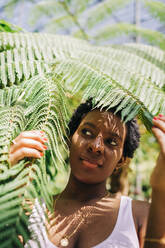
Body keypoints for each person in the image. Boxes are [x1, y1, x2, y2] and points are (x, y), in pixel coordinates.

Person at [8, 99, 165, 248]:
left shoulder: (141, 215)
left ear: (121, 161)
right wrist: (6, 172)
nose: (96, 146)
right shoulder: (26, 211)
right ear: (70, 139)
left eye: (111, 142)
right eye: (87, 132)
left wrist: (160, 189)